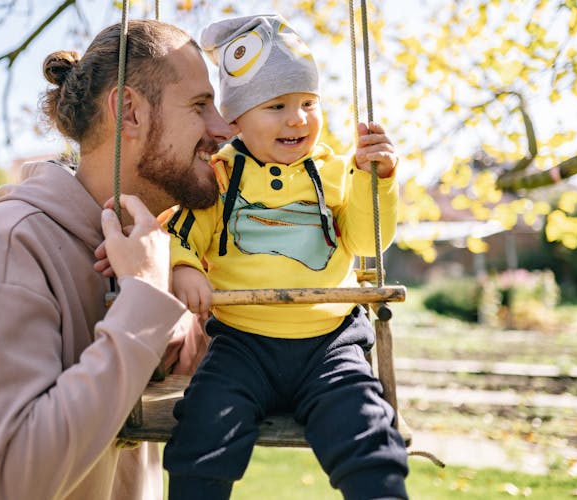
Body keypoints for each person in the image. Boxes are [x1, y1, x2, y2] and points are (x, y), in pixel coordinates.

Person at [0, 20, 232, 500]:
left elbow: (180, 368)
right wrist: (144, 299)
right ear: (128, 111)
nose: (223, 129)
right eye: (199, 105)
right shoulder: (5, 248)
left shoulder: (141, 249)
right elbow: (11, 483)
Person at [162, 14, 409, 499]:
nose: (297, 119)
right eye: (276, 106)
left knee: (365, 430)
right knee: (203, 430)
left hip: (329, 345)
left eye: (308, 103)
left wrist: (376, 179)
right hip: (240, 344)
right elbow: (186, 231)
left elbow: (364, 239)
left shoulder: (336, 172)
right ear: (236, 119)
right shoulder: (220, 175)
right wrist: (185, 265)